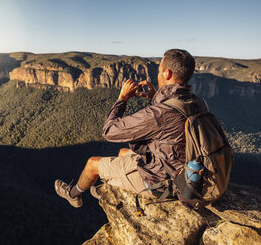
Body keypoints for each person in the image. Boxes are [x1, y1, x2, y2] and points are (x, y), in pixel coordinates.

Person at [54, 49, 196, 207]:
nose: (157, 73)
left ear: (167, 74)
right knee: (122, 153)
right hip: (182, 171)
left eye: (159, 70)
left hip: (161, 181)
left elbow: (109, 131)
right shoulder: (194, 101)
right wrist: (155, 98)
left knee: (92, 164)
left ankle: (73, 194)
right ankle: (109, 183)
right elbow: (169, 124)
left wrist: (122, 98)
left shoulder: (159, 114)